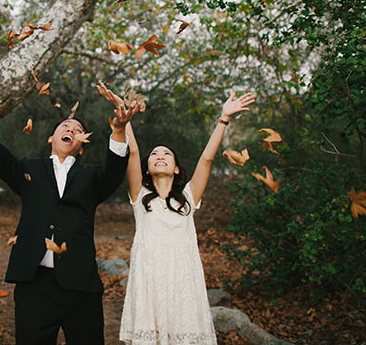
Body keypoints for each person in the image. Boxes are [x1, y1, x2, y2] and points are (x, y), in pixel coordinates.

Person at [0, 62, 140, 345]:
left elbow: (116, 171)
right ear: (51, 137)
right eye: (64, 126)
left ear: (82, 144)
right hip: (34, 283)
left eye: (77, 129)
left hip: (81, 284)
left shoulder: (91, 177)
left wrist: (118, 130)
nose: (70, 128)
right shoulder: (30, 168)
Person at [96, 86, 255, 345]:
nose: (160, 156)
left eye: (166, 154)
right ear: (147, 168)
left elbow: (206, 159)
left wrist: (223, 118)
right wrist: (124, 116)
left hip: (182, 280)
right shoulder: (139, 197)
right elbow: (133, 152)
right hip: (149, 280)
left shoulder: (190, 198)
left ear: (176, 167)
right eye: (155, 154)